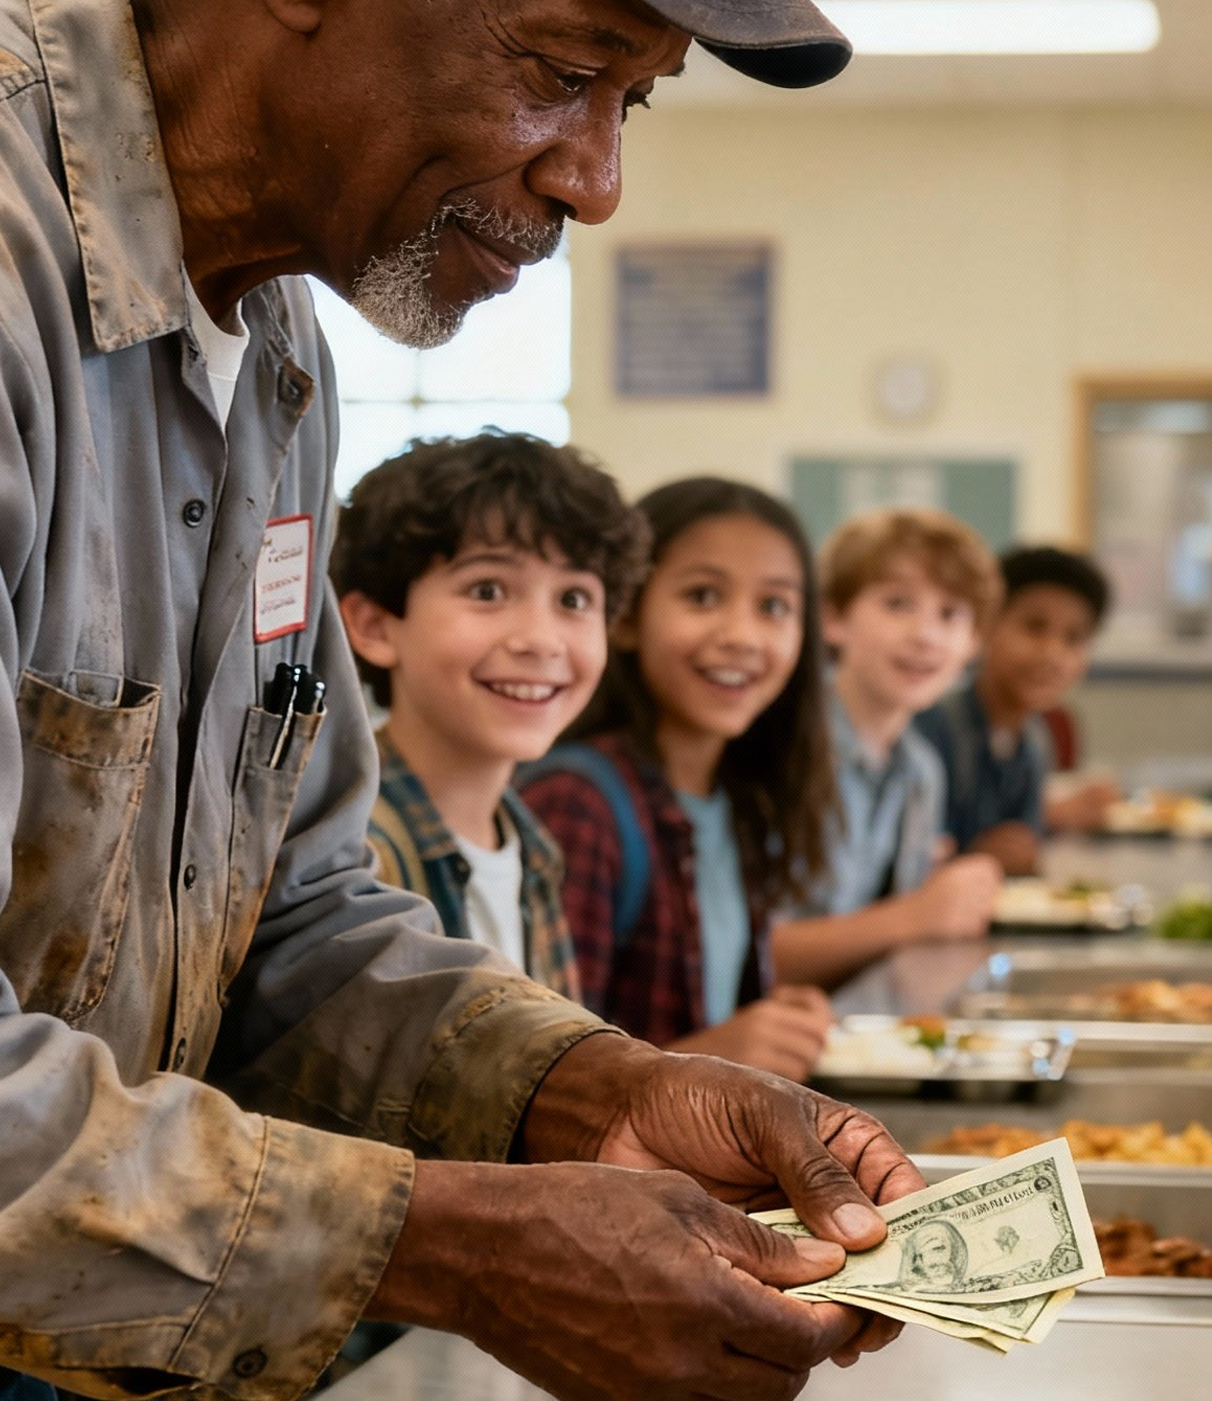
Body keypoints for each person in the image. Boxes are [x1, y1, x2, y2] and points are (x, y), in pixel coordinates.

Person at [0, 0, 924, 1401]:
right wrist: (448, 1237)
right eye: (564, 70)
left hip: (62, 1394)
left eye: (636, 103)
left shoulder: (279, 354)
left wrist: (589, 1086)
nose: (596, 181)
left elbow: (294, 913)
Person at [522, 478, 836, 1079]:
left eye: (774, 607)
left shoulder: (743, 801)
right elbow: (542, 1088)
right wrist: (716, 1052)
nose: (742, 636)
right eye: (701, 596)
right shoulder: (578, 803)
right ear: (628, 616)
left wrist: (773, 1020)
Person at [331, 431, 648, 995]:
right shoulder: (349, 854)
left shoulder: (535, 849)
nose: (541, 640)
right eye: (487, 590)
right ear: (375, 626)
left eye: (573, 599)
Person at [771, 509, 1005, 990]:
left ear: (973, 643)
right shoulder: (785, 748)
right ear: (833, 619)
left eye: (950, 615)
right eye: (897, 604)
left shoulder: (920, 770)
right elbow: (749, 961)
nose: (926, 635)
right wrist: (918, 914)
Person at [917, 544, 1114, 875]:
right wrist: (972, 856)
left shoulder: (1035, 743)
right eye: (1034, 627)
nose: (1053, 654)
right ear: (985, 626)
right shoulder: (932, 725)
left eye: (1074, 638)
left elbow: (1025, 845)